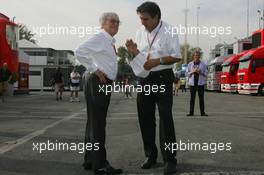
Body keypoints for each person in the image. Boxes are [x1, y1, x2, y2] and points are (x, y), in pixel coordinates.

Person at [126, 2, 181, 174]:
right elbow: (142, 58)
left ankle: (170, 160)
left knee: (165, 117)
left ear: (157, 17)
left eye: (145, 19)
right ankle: (150, 155)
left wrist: (157, 61)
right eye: (141, 19)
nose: (142, 22)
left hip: (163, 78)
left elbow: (176, 56)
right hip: (145, 79)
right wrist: (134, 52)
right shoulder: (139, 32)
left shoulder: (170, 30)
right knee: (145, 117)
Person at [75, 12, 122, 174]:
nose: (115, 24)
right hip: (98, 82)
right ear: (103, 23)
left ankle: (90, 160)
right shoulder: (101, 37)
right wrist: (95, 69)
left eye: (118, 22)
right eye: (112, 21)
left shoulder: (108, 40)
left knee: (93, 122)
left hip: (99, 82)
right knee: (98, 123)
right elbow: (79, 51)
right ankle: (100, 164)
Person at [186, 51, 208, 117]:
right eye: (195, 55)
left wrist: (200, 72)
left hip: (200, 84)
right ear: (193, 56)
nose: (196, 57)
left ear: (199, 56)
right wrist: (193, 71)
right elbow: (186, 74)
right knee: (192, 99)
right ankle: (191, 112)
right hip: (192, 84)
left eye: (198, 55)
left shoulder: (203, 64)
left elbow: (206, 73)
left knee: (201, 99)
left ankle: (202, 112)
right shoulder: (190, 64)